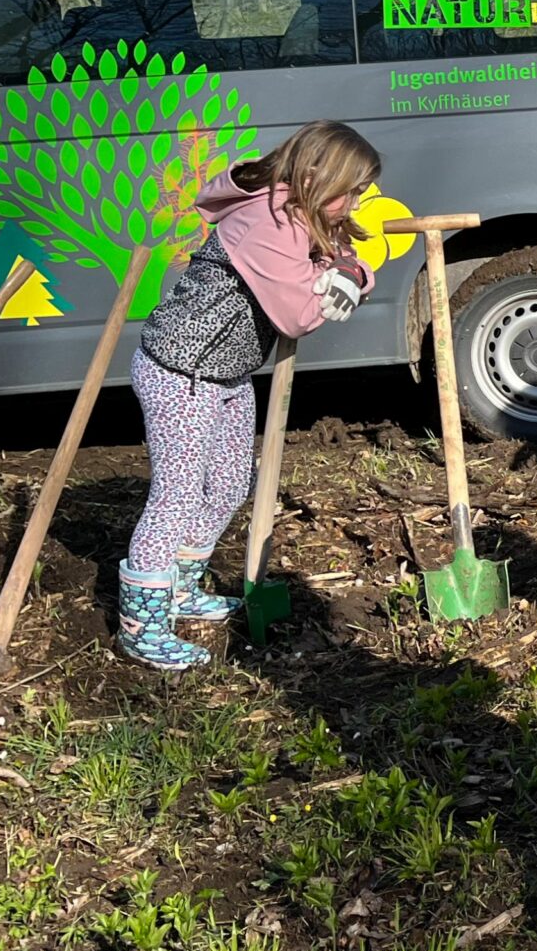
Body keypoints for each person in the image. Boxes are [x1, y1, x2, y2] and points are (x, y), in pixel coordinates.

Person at [118, 122, 379, 671]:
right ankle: (142, 622)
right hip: (181, 370)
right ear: (315, 175)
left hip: (227, 372)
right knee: (178, 494)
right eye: (350, 189)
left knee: (233, 480)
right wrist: (331, 286)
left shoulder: (307, 215)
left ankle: (182, 588)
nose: (354, 202)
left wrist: (349, 272)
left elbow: (348, 260)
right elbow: (296, 314)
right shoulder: (269, 221)